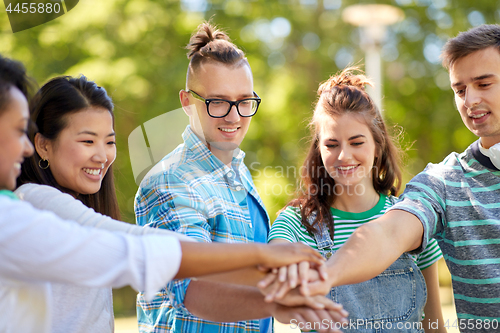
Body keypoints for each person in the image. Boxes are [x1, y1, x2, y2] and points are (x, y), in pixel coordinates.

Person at [0, 55, 342, 333]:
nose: (103, 154)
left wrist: (278, 280)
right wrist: (270, 272)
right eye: (87, 141)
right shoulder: (35, 203)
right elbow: (142, 252)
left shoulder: (239, 175)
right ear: (45, 144)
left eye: (110, 141)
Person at [266, 24, 500, 330]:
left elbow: (433, 325)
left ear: (378, 147)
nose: (469, 101)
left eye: (483, 84)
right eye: (459, 90)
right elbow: (388, 233)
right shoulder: (442, 184)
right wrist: (318, 280)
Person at [134, 22, 343, 333]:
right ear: (187, 101)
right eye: (218, 102)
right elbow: (191, 290)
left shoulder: (239, 173)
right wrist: (279, 302)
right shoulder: (171, 181)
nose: (234, 116)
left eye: (244, 101)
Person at [265, 67, 445, 332]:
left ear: (377, 144)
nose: (344, 156)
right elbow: (280, 289)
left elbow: (434, 324)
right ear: (319, 149)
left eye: (356, 142)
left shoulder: (410, 220)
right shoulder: (295, 223)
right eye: (332, 144)